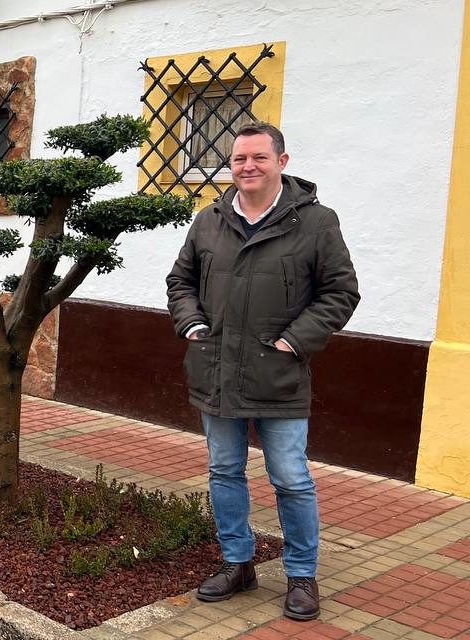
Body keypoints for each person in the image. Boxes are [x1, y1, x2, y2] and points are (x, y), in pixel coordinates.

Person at [166, 122, 359, 621]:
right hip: (216, 371)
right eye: (238, 159)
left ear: (282, 162)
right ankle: (237, 563)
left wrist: (294, 339)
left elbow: (340, 292)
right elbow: (180, 280)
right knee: (224, 471)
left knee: (291, 478)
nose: (247, 167)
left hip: (280, 374)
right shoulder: (209, 220)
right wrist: (191, 322)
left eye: (258, 158)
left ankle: (301, 574)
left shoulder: (316, 223)